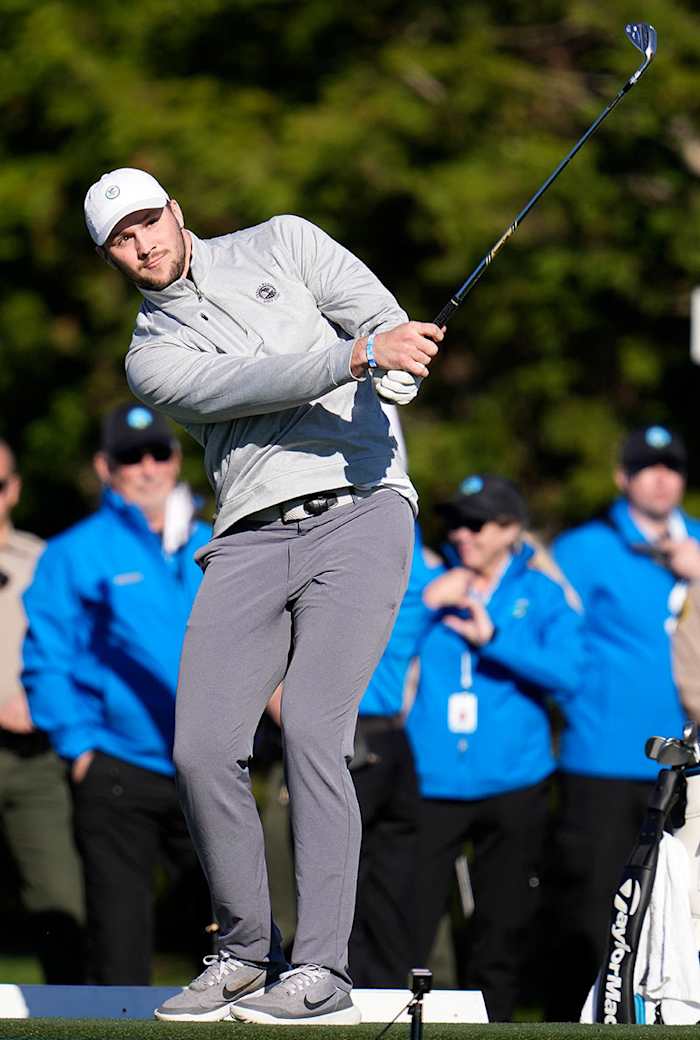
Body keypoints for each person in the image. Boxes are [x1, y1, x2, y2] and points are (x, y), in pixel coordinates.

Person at [82, 167, 441, 1024]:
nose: (144, 247)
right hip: (246, 535)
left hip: (361, 514)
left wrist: (396, 364)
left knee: (316, 729)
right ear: (112, 258)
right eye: (122, 241)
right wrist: (358, 356)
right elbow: (248, 381)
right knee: (201, 749)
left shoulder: (283, 238)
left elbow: (378, 317)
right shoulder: (149, 358)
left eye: (148, 224)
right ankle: (245, 951)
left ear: (176, 210)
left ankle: (321, 968)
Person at [22, 403, 211, 985]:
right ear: (107, 467)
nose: (147, 468)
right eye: (131, 457)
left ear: (177, 460)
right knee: (120, 939)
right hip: (117, 767)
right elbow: (45, 661)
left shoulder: (213, 541)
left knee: (236, 922)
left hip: (207, 764)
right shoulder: (74, 553)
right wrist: (79, 750)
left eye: (159, 453)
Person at [405, 475, 583, 1022]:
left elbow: (569, 673)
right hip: (430, 778)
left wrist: (496, 640)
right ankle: (407, 1021)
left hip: (515, 781)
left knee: (502, 925)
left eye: (476, 524)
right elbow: (379, 657)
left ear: (510, 530)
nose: (462, 535)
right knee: (408, 919)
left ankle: (493, 1026)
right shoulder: (429, 584)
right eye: (454, 523)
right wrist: (423, 607)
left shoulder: (542, 592)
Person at [544, 425, 700, 1021]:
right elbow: (556, 643)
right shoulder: (584, 550)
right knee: (595, 900)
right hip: (604, 755)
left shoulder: (696, 545)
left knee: (682, 900)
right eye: (646, 467)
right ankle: (586, 1015)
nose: (661, 478)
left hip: (689, 759)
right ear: (622, 478)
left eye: (671, 467)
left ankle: (669, 1010)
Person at [0, 440, 85, 982]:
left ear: (14, 489)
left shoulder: (43, 559)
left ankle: (71, 1011)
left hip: (35, 758)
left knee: (62, 903)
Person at [348, 523, 441, 988]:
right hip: (346, 727)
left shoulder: (403, 523)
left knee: (391, 880)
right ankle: (331, 982)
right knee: (340, 872)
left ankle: (382, 990)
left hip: (391, 736)